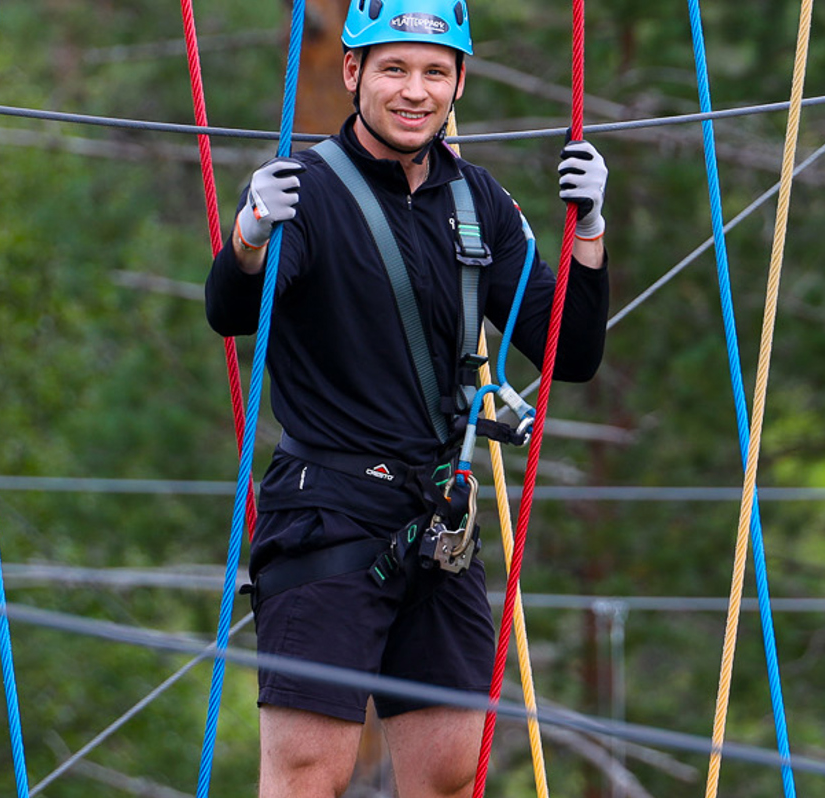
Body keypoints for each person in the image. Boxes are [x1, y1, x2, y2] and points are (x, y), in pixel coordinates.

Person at [203, 0, 612, 793]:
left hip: (437, 519)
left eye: (434, 72)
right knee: (308, 773)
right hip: (327, 514)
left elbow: (572, 352)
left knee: (453, 771)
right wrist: (250, 235)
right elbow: (232, 312)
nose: (414, 91)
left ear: (459, 83)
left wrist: (589, 228)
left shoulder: (478, 200)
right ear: (353, 73)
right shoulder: (310, 192)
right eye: (393, 68)